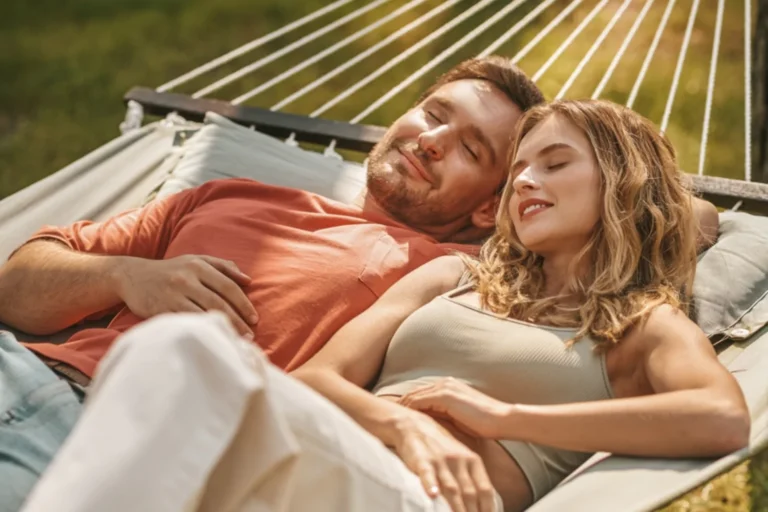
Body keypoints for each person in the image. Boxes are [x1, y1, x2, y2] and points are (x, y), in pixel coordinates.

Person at [20, 99, 744, 512]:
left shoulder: (640, 325)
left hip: (423, 499)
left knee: (185, 350)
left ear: (620, 185)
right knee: (171, 348)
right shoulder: (458, 279)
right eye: (520, 166)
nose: (527, 181)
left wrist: (503, 419)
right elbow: (314, 382)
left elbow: (718, 417)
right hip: (320, 462)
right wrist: (400, 421)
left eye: (554, 165)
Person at [0, 55, 544, 511]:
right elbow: (15, 288)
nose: (432, 140)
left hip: (120, 433)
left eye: (471, 150)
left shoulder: (449, 278)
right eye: (433, 114)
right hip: (21, 366)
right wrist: (127, 276)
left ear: (485, 211)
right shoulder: (229, 195)